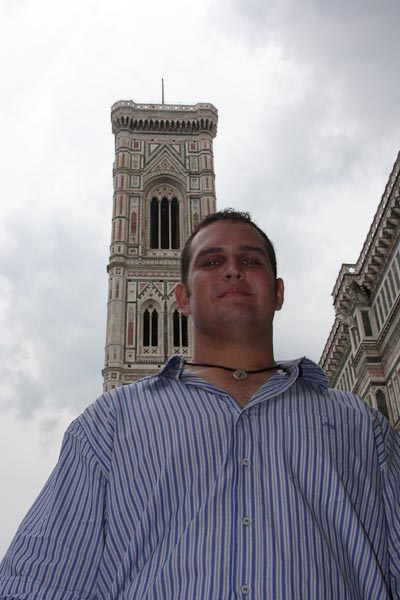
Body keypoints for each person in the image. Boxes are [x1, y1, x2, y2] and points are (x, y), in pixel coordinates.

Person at [0, 209, 399, 599]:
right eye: (212, 261)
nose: (233, 270)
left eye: (250, 260)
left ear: (278, 292)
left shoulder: (362, 426)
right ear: (183, 298)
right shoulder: (110, 424)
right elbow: (38, 584)